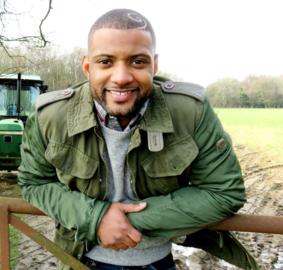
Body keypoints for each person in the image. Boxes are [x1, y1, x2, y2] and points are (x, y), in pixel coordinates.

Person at [18, 8, 258, 270]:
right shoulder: (50, 116)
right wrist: (96, 218)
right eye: (106, 62)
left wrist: (128, 221)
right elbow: (34, 182)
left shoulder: (190, 112)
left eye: (137, 62)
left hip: (159, 262)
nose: (121, 78)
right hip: (80, 260)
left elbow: (224, 192)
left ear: (154, 65)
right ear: (87, 67)